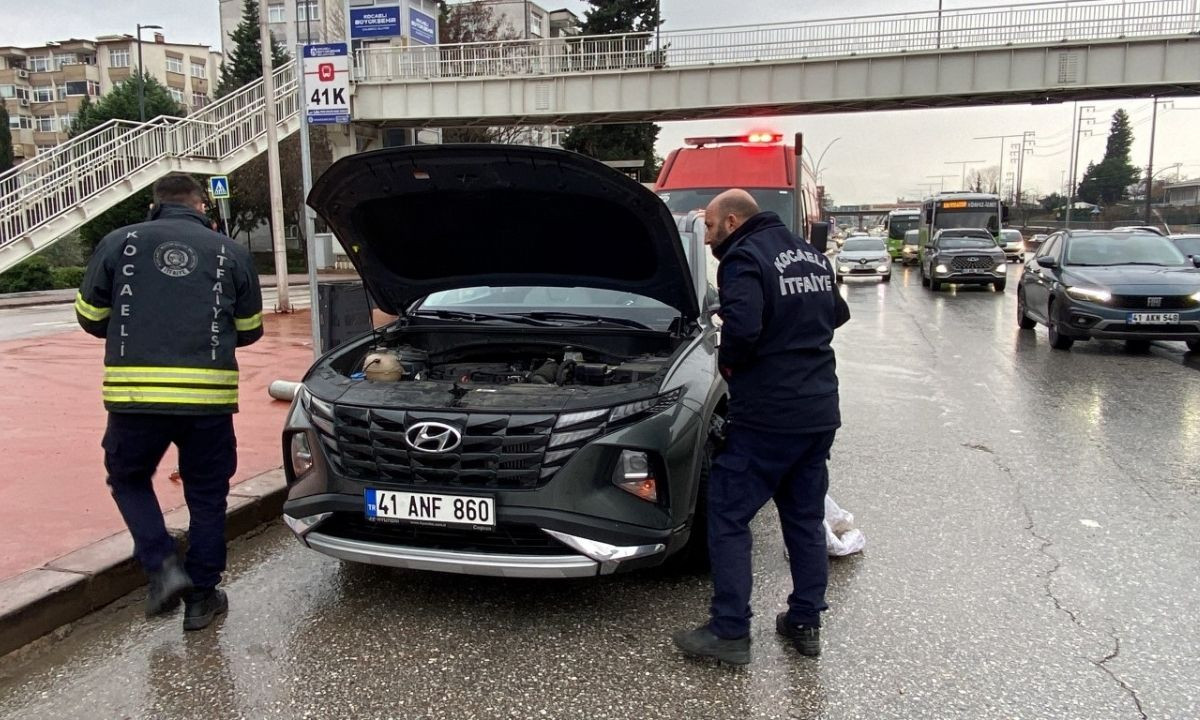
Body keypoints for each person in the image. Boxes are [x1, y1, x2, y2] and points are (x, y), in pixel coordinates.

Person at [75, 174, 263, 631]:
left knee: (129, 477)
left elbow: (89, 316)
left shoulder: (120, 243)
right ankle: (201, 598)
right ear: (201, 205)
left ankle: (162, 566)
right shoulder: (231, 251)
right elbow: (252, 327)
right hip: (208, 400)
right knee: (206, 493)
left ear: (155, 205)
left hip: (135, 397)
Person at [673, 189, 850, 665]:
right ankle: (804, 622)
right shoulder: (809, 255)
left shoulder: (743, 258)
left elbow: (744, 331)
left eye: (709, 227)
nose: (708, 238)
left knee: (729, 516)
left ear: (732, 221)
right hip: (818, 410)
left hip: (768, 415)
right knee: (804, 517)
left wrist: (730, 367)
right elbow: (838, 313)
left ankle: (729, 630)